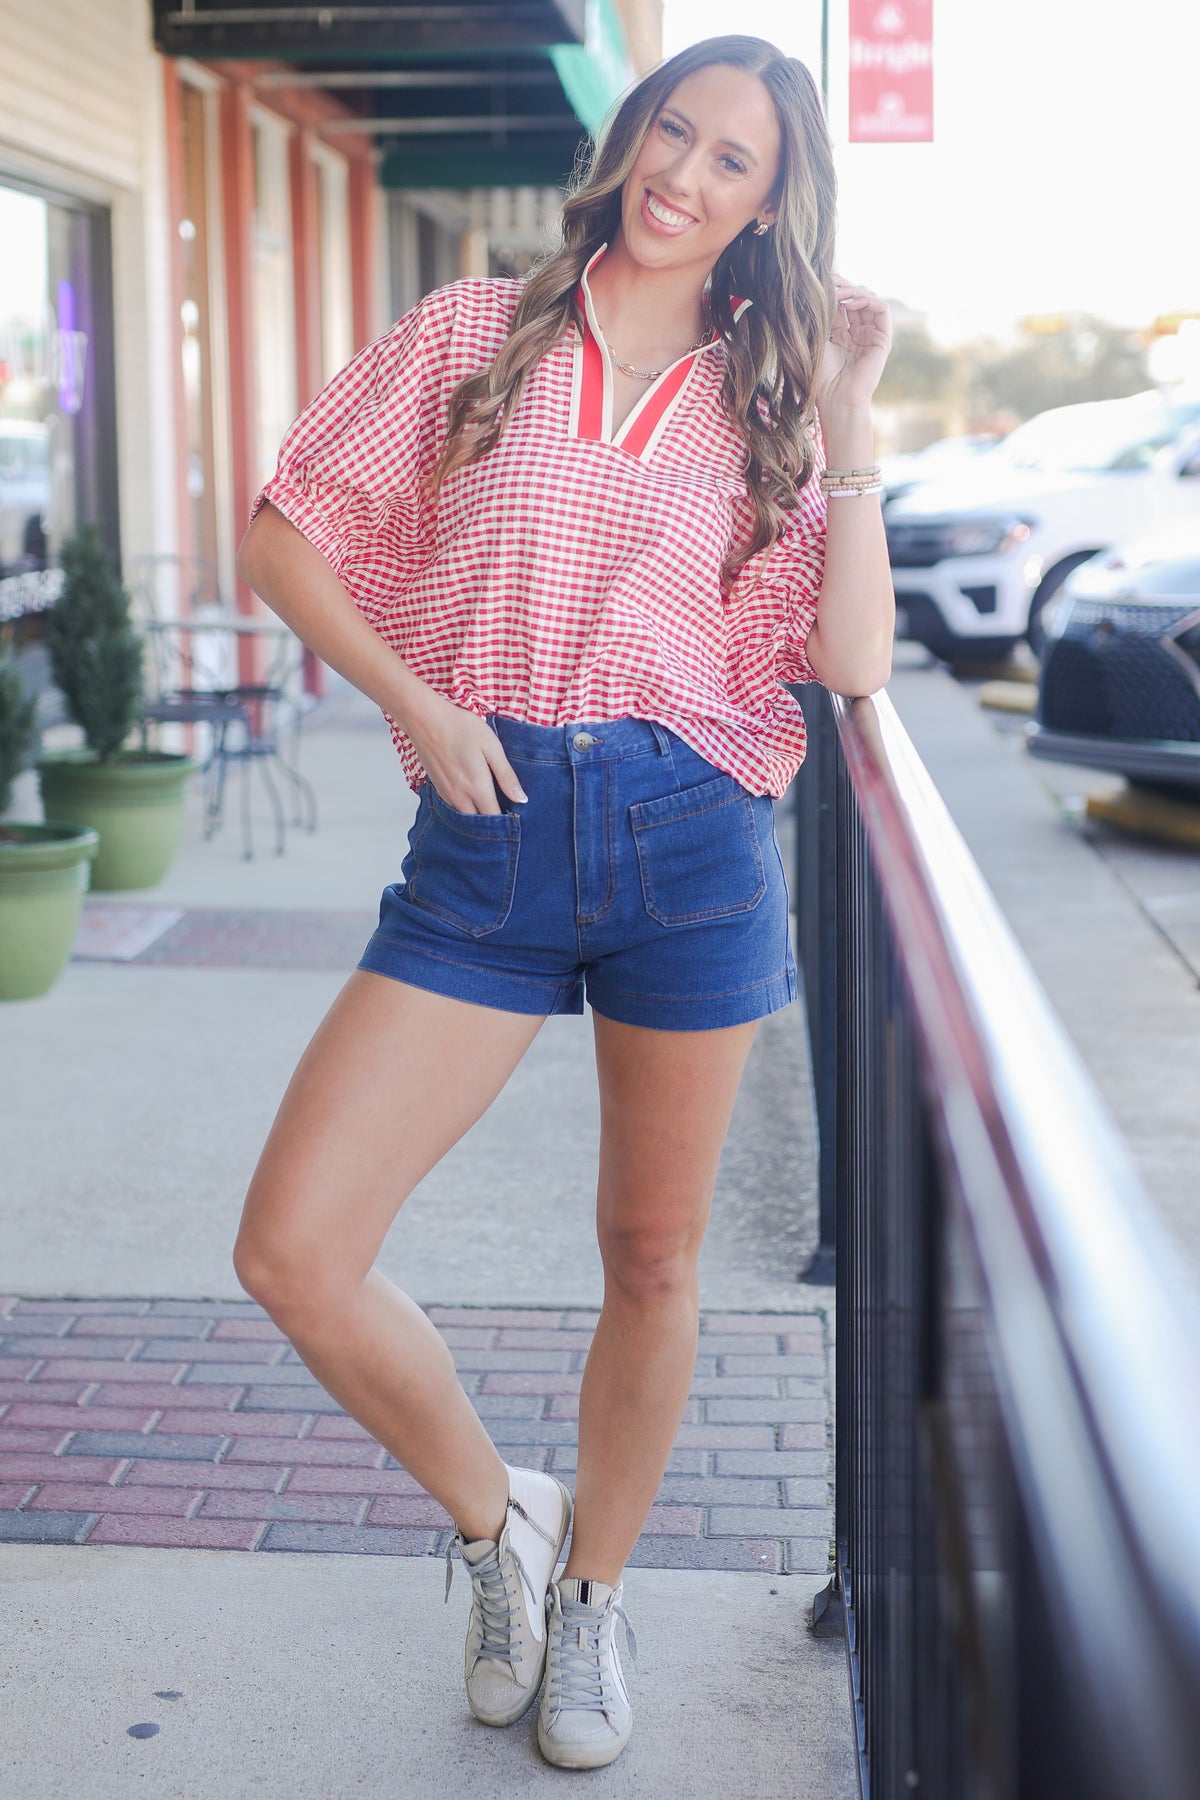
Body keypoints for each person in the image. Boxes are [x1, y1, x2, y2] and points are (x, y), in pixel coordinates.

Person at [232, 33, 893, 1773]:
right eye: (675, 130)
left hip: (692, 846)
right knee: (295, 1247)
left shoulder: (770, 396)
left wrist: (851, 419)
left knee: (652, 1256)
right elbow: (288, 529)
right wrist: (420, 704)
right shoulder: (476, 327)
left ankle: (596, 1598)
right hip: (490, 828)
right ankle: (496, 1522)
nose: (687, 172)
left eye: (734, 159)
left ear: (771, 203)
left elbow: (851, 660)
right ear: (630, 136)